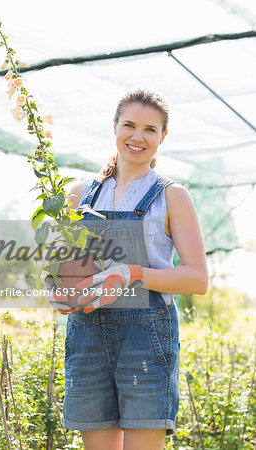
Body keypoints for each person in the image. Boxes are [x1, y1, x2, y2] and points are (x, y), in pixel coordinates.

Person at [49, 88, 208, 450]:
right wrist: (62, 293)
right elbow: (61, 275)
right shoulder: (78, 195)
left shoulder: (171, 195)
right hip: (87, 336)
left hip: (147, 340)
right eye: (130, 125)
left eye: (150, 130)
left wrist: (133, 274)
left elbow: (197, 278)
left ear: (162, 137)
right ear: (115, 127)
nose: (138, 137)